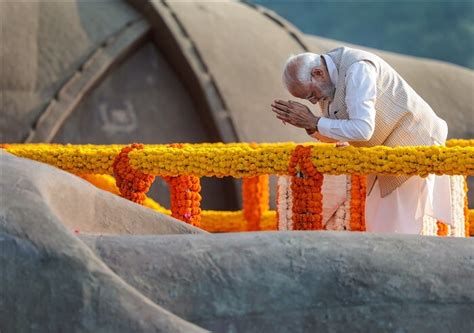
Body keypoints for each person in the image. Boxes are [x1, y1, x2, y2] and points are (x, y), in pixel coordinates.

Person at [271, 47, 452, 234]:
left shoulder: (358, 68)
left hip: (413, 144)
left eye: (310, 95)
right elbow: (339, 130)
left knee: (397, 232)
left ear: (317, 73)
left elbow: (362, 129)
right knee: (378, 228)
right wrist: (310, 126)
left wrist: (315, 121)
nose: (313, 101)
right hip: (385, 157)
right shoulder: (328, 82)